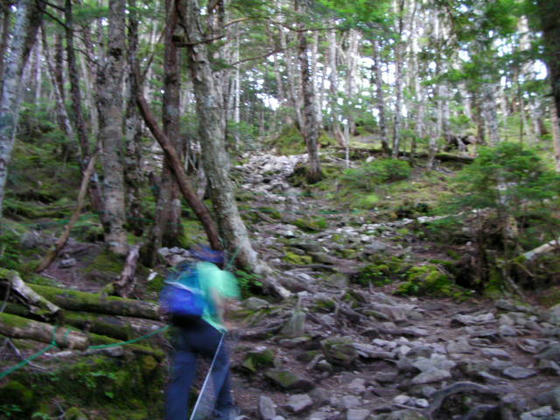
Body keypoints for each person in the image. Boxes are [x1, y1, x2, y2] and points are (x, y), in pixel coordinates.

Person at [165, 246, 240, 420]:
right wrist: (224, 321)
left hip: (184, 329)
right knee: (221, 366)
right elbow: (219, 298)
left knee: (180, 381)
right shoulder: (219, 274)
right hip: (208, 330)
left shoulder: (190, 271)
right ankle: (225, 411)